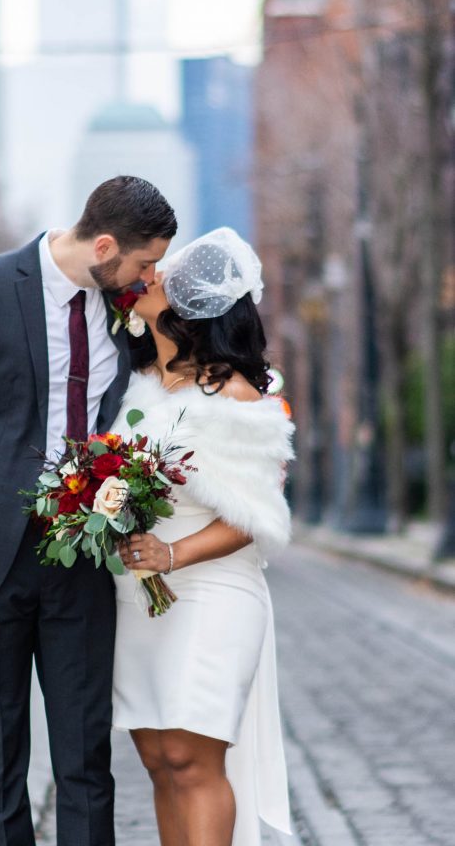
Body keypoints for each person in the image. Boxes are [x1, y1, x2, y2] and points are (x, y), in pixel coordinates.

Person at [0, 176, 177, 846]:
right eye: (145, 264)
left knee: (87, 757)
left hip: (82, 556)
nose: (149, 277)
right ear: (105, 245)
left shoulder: (125, 309)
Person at [112, 227, 294, 846]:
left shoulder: (234, 392)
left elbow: (254, 514)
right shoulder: (134, 385)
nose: (149, 278)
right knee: (160, 759)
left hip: (213, 592)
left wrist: (173, 552)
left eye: (162, 277)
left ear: (187, 311)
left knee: (194, 759)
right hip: (140, 599)